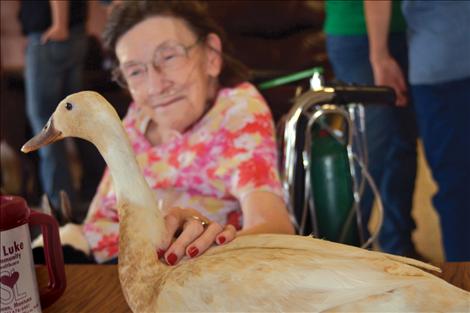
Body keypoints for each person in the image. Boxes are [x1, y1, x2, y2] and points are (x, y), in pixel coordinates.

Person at [35, 1, 295, 265]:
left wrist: (204, 246)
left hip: (175, 277)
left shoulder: (236, 109)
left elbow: (274, 228)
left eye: (169, 57)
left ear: (212, 56)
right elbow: (98, 218)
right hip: (98, 267)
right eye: (135, 71)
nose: (155, 86)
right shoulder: (137, 117)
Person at [366, 0, 470, 261]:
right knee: (457, 189)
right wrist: (378, 56)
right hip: (446, 66)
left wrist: (380, 56)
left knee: (457, 189)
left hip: (443, 62)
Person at [324, 0, 420, 257]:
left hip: (407, 28)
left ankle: (398, 246)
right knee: (368, 151)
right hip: (361, 36)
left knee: (402, 145)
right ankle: (351, 252)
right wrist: (379, 55)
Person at [19, 0, 88, 210]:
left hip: (53, 35)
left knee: (45, 124)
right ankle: (95, 193)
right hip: (71, 33)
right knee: (80, 119)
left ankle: (61, 207)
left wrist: (59, 24)